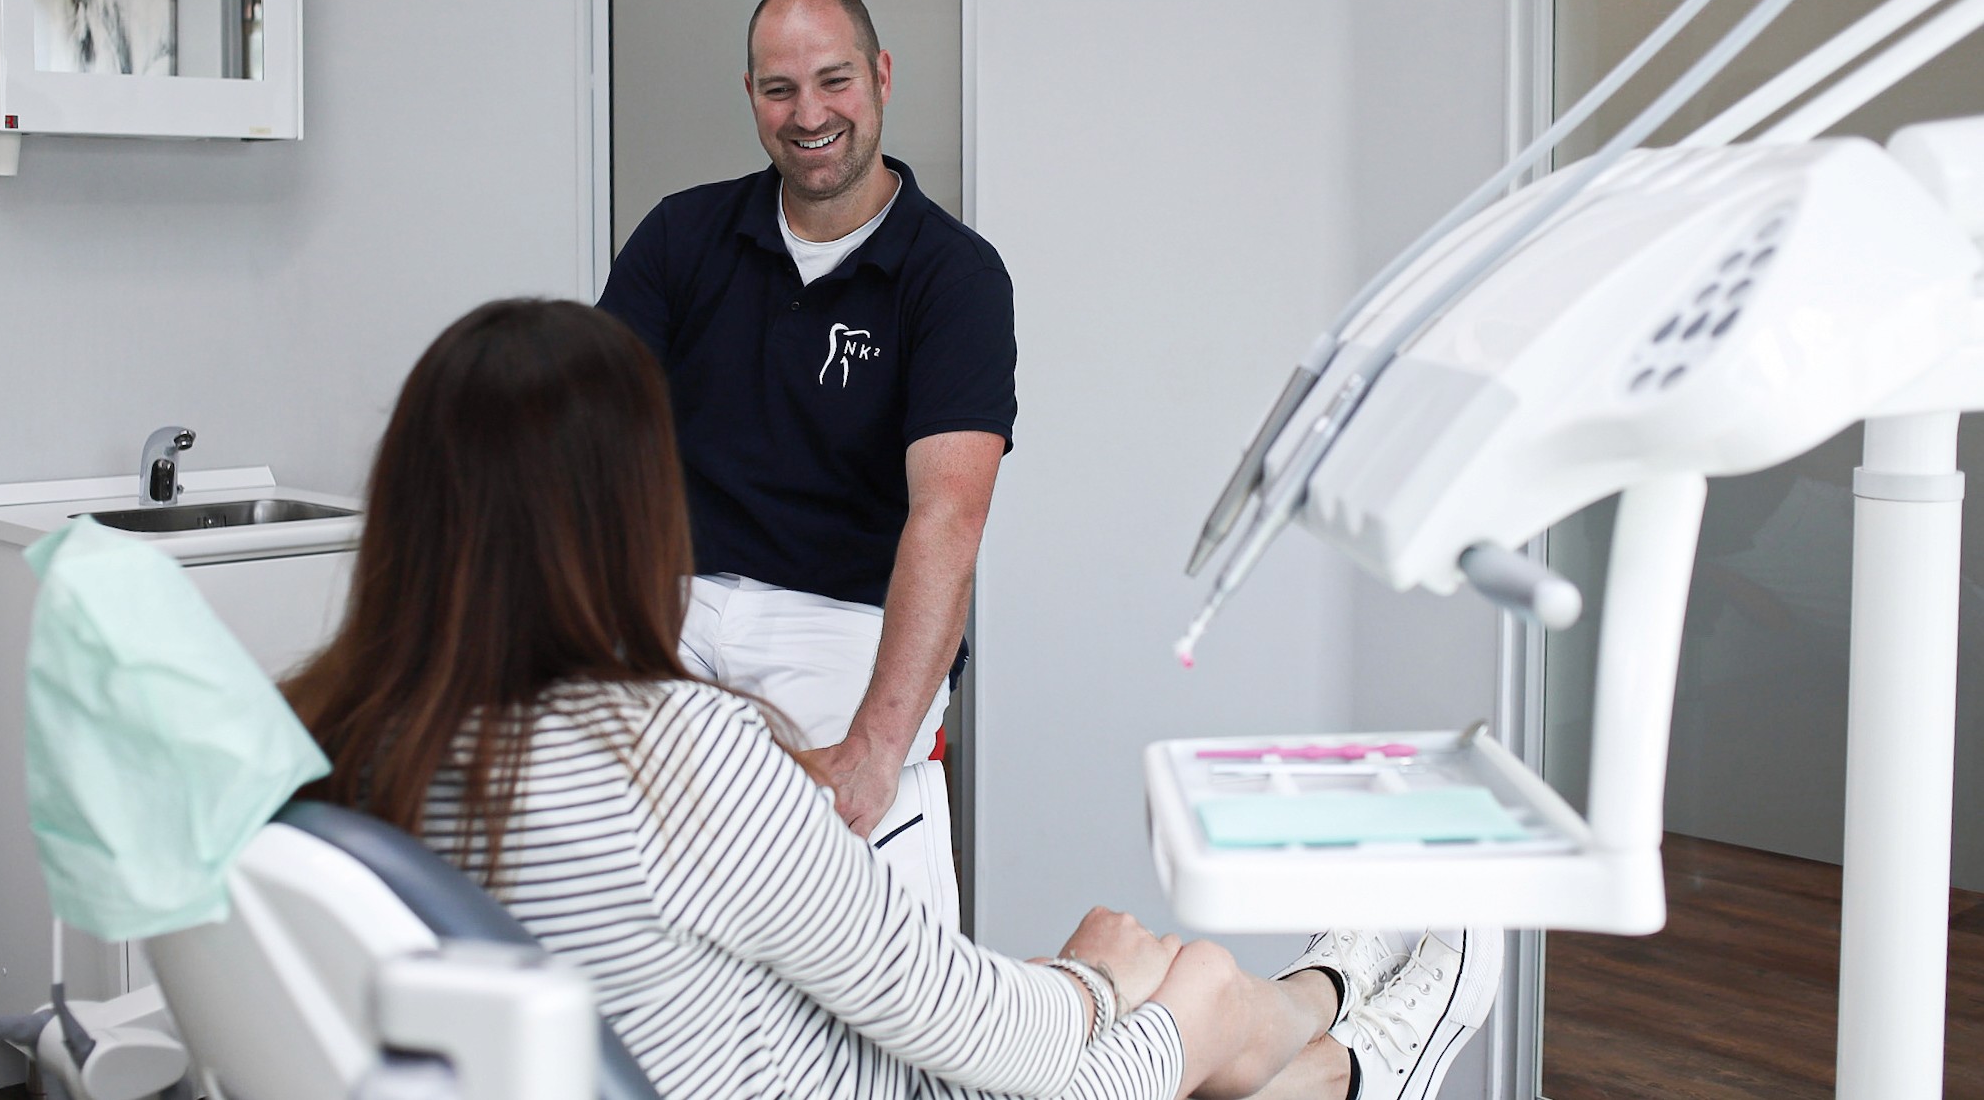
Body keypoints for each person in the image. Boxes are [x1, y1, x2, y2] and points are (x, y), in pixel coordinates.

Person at [284, 298, 1502, 1100]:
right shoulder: (674, 758)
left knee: (1174, 993)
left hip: (763, 1054)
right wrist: (1103, 984)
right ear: (632, 510)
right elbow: (1003, 1044)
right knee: (1180, 981)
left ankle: (1319, 1010)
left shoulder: (345, 749)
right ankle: (1349, 1058)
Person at [599, 0, 1011, 925]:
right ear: (750, 96)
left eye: (834, 81)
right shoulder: (680, 237)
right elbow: (587, 443)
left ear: (881, 77)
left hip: (843, 619)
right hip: (679, 599)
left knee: (825, 913)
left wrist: (874, 747)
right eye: (779, 89)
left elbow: (949, 514)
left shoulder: (953, 278)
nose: (809, 114)